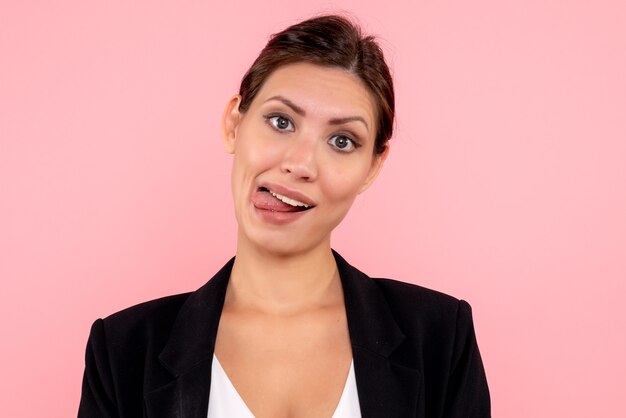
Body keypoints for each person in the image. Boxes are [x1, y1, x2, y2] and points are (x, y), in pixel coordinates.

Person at [78, 14, 490, 418]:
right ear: (233, 124)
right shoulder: (122, 351)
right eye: (281, 121)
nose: (300, 163)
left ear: (373, 167)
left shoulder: (439, 338)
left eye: (342, 141)